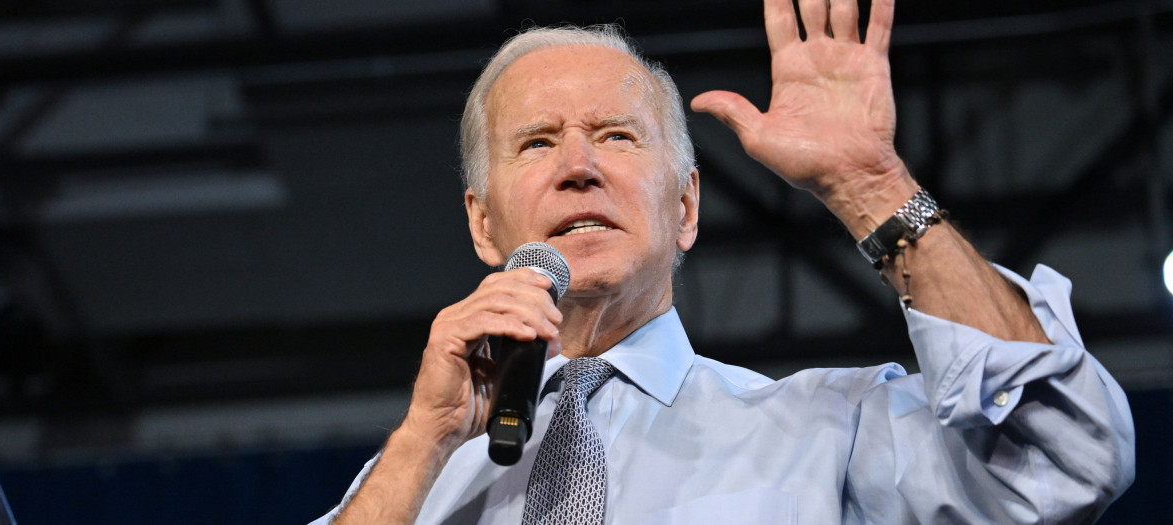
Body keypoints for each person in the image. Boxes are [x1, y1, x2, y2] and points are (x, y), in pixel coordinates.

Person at [312, 0, 1135, 523]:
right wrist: (423, 440)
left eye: (616, 135)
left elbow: (1068, 464)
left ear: (687, 207)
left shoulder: (832, 432)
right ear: (482, 224)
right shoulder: (412, 486)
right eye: (537, 141)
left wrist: (872, 184)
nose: (578, 165)